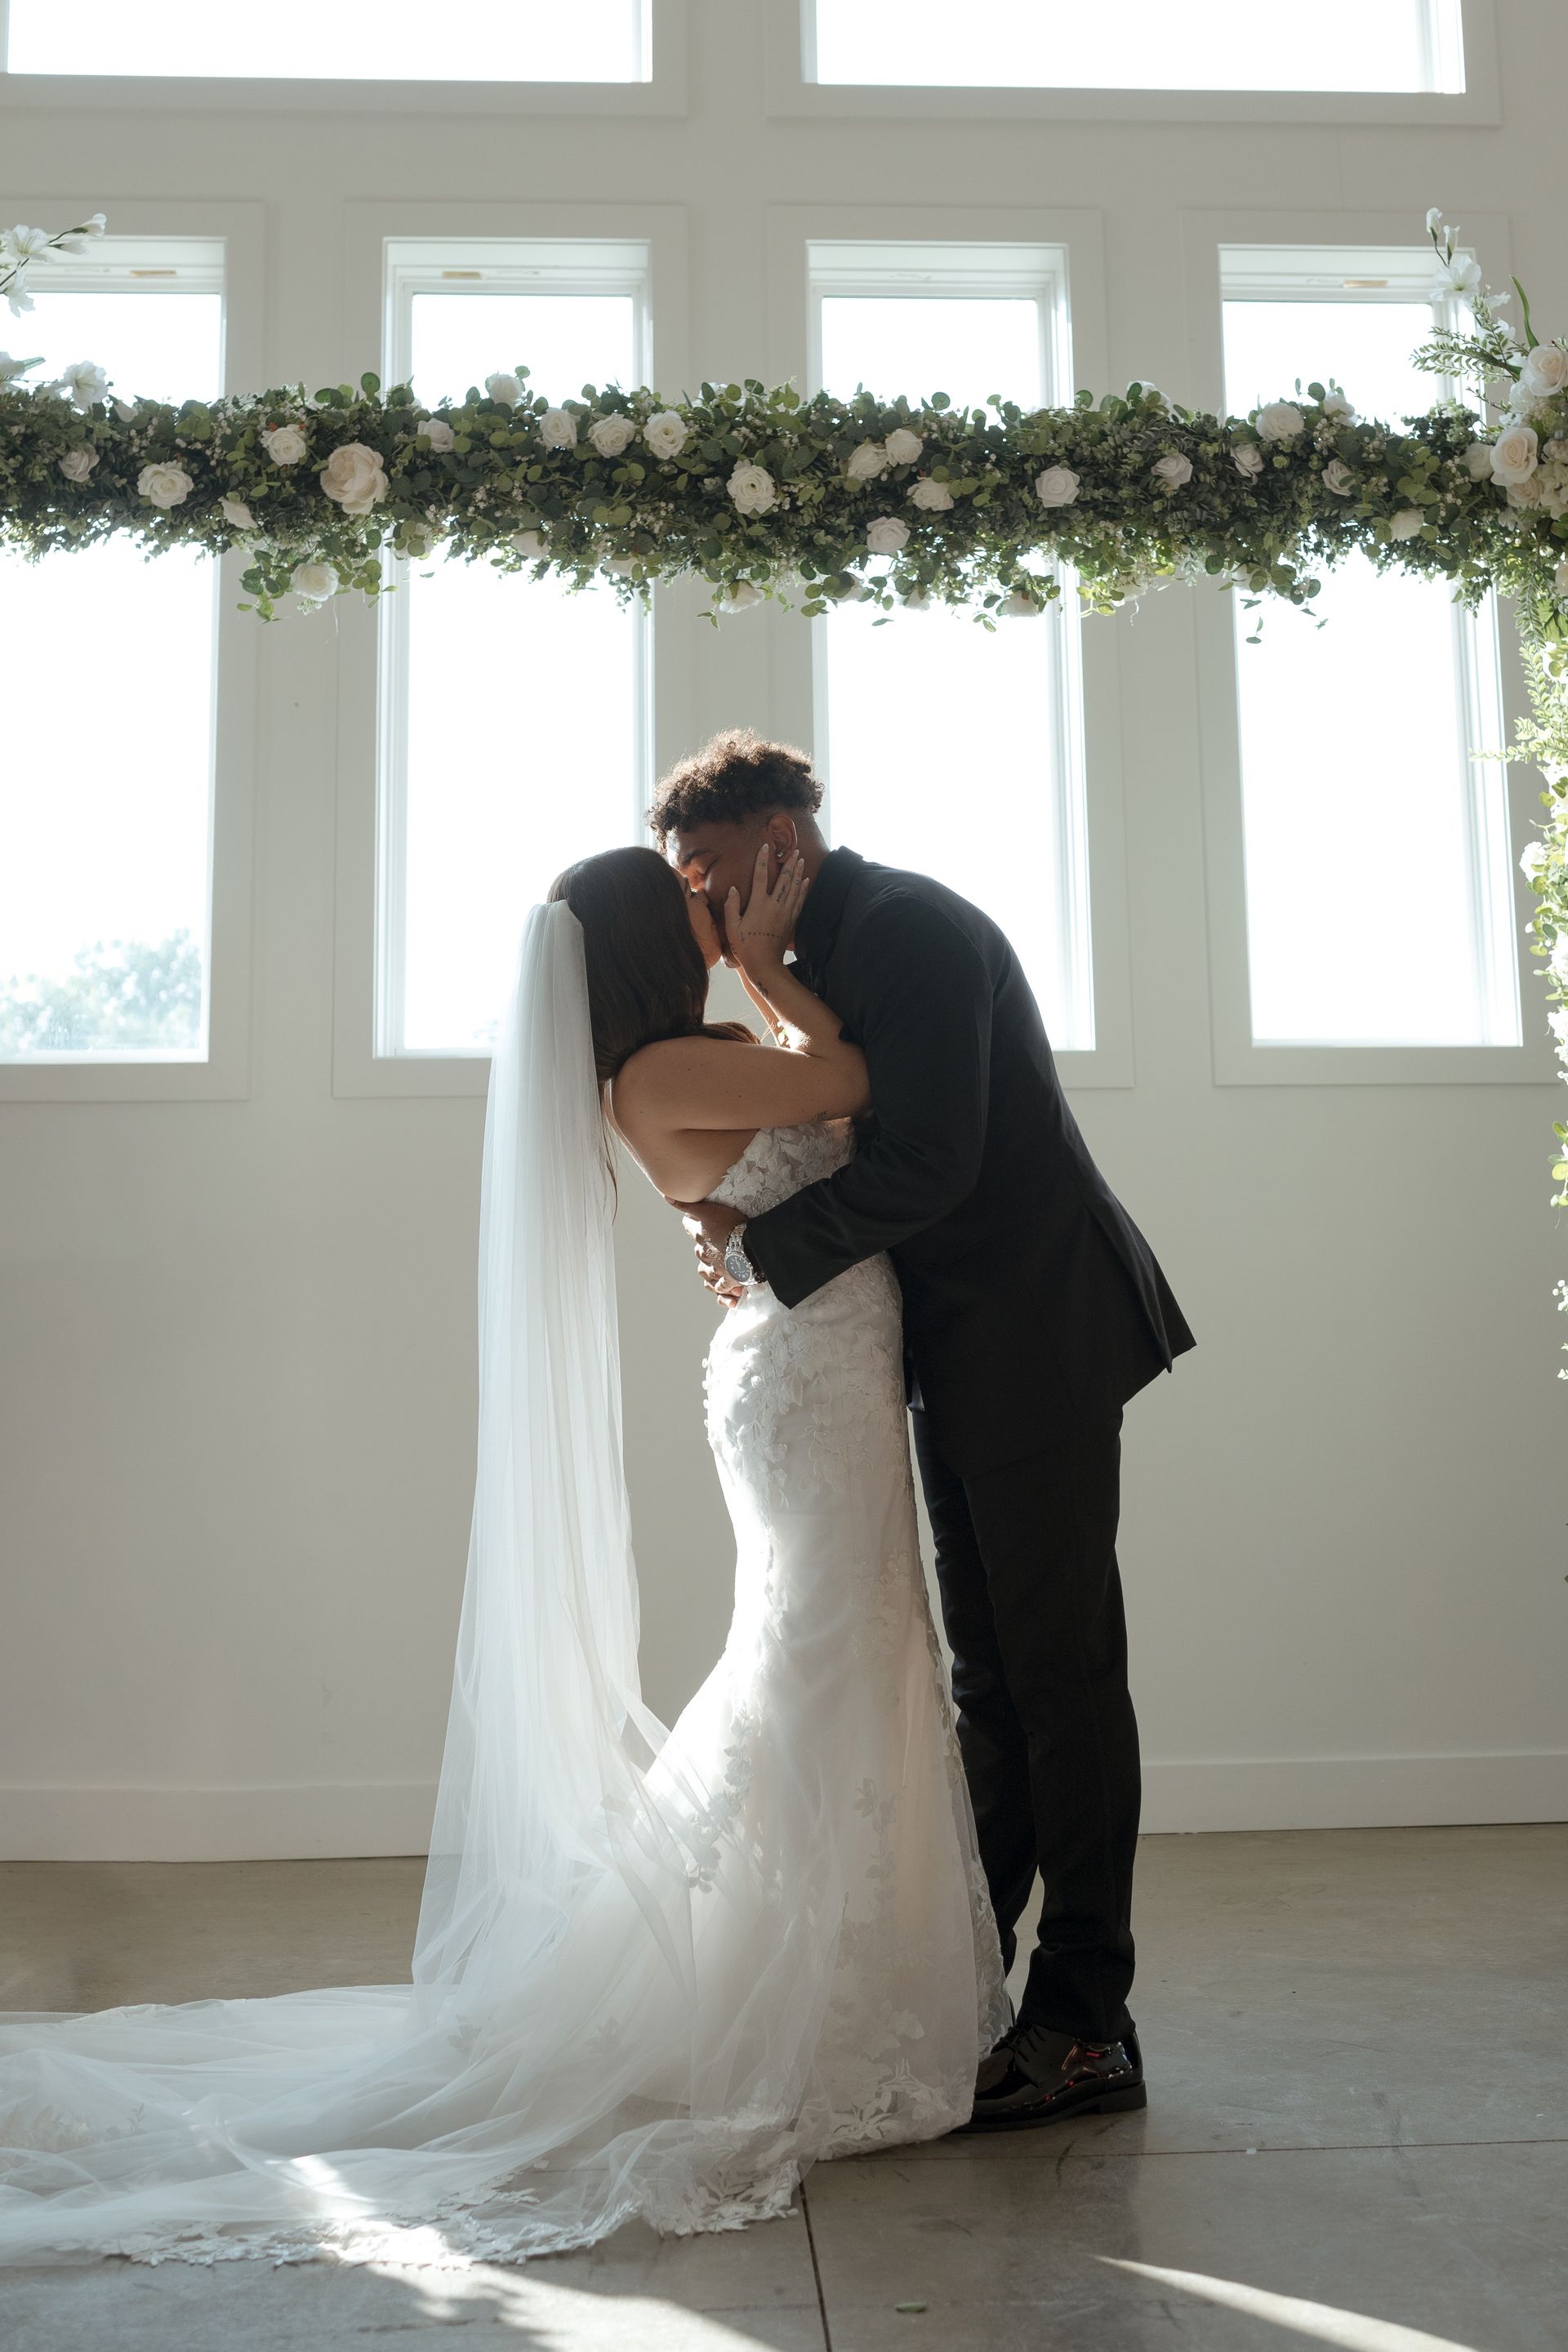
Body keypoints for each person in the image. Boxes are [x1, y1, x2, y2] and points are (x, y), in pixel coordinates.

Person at [0, 844, 1005, 2270]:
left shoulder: (692, 1057)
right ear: (647, 956)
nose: (720, 918)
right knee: (825, 1651)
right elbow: (847, 1089)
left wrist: (762, 1001)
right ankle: (805, 2002)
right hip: (806, 1383)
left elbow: (809, 1128)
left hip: (820, 1366)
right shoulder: (662, 1078)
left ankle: (838, 1975)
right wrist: (779, 973)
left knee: (837, 1648)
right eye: (696, 914)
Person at [659, 727, 1195, 2132]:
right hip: (959, 1353)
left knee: (1061, 1678)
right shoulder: (820, 962)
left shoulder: (908, 933)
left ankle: (1088, 2025)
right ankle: (970, 1986)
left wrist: (768, 1254)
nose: (696, 905)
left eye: (707, 874)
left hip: (1037, 1334)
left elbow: (929, 1161)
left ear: (782, 847)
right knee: (992, 1689)